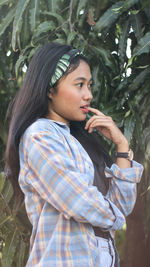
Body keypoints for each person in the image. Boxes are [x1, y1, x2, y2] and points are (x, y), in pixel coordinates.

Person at [5, 42, 143, 267]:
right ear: (50, 89)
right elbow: (79, 202)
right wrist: (115, 216)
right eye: (79, 85)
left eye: (89, 85)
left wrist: (121, 145)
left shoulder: (81, 141)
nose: (88, 95)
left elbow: (122, 205)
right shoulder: (39, 136)